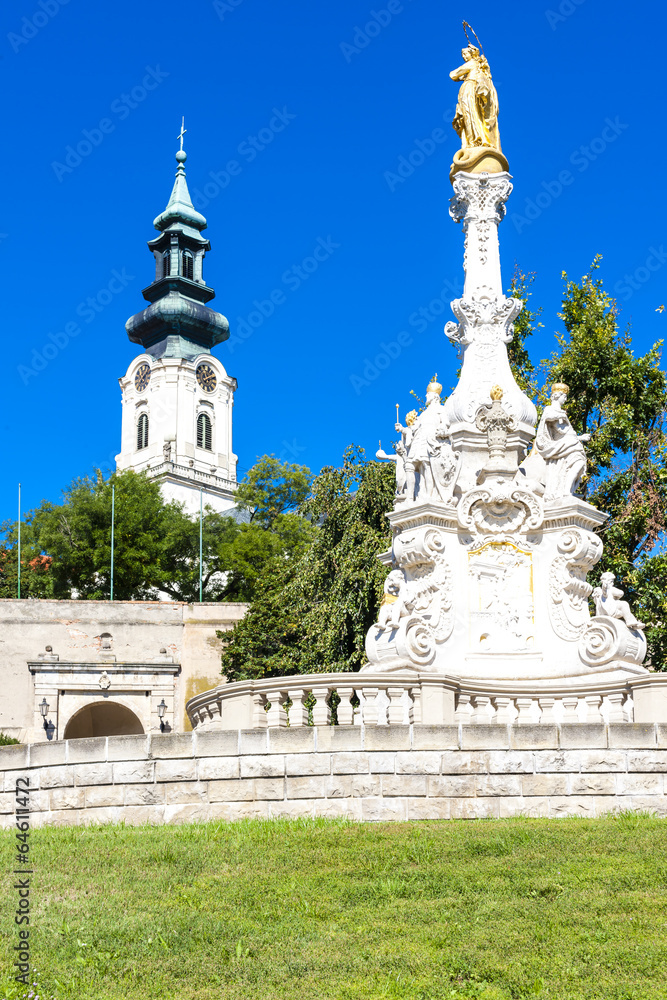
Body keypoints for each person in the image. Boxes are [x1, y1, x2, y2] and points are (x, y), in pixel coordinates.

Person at [534, 383, 590, 500]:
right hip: (563, 445)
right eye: (564, 396)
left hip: (570, 443)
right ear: (557, 395)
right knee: (578, 463)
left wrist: (581, 437)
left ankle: (567, 490)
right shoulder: (550, 410)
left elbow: (567, 432)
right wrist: (558, 415)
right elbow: (554, 424)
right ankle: (565, 492)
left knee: (578, 464)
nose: (565, 398)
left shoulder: (562, 413)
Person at [450, 45, 501, 151]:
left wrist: (462, 77)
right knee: (476, 114)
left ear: (471, 54)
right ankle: (479, 138)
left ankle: (475, 139)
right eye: (462, 55)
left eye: (465, 54)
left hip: (469, 88)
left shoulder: (472, 63)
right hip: (474, 89)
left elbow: (453, 75)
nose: (464, 56)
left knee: (470, 113)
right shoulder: (479, 66)